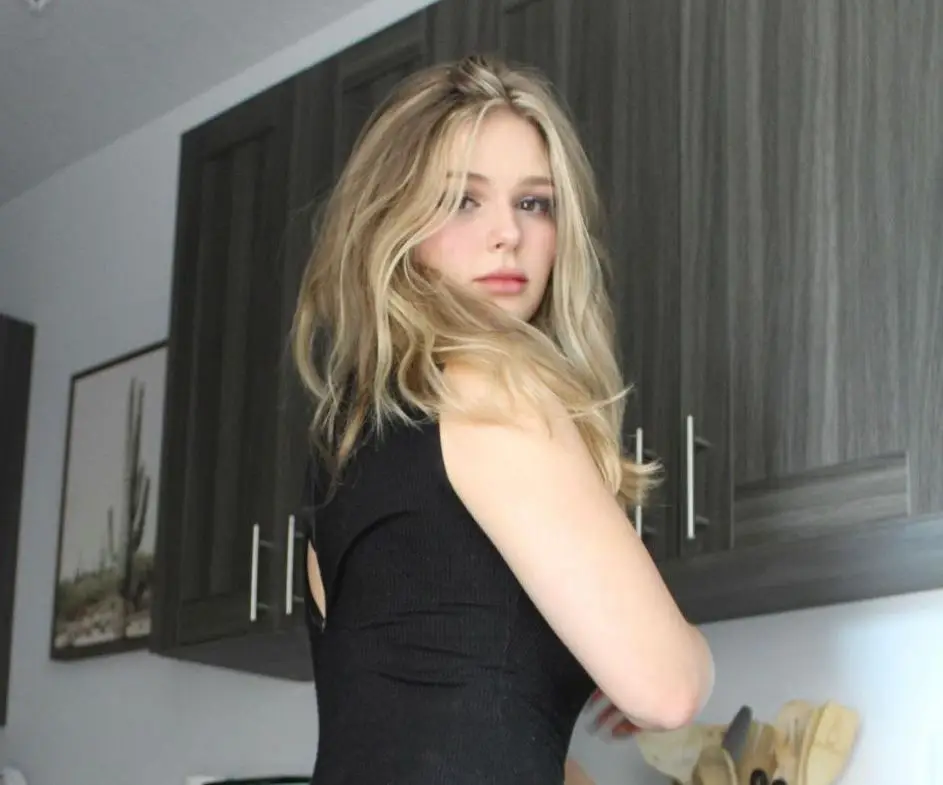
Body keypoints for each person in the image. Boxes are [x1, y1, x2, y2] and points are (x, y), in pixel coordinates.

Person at [290, 54, 715, 785]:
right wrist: (689, 652)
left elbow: (433, 732)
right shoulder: (487, 388)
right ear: (395, 220)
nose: (506, 234)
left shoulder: (352, 439)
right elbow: (669, 690)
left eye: (534, 203)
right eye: (462, 200)